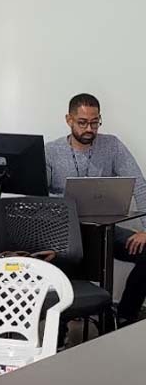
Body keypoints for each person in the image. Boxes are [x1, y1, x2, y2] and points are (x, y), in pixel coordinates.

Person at [46, 93, 146, 326]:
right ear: (68, 119)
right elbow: (40, 195)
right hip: (66, 235)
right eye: (82, 122)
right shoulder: (51, 151)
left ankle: (124, 317)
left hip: (106, 232)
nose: (89, 128)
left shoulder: (112, 145)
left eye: (95, 122)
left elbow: (139, 184)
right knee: (57, 266)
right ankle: (59, 333)